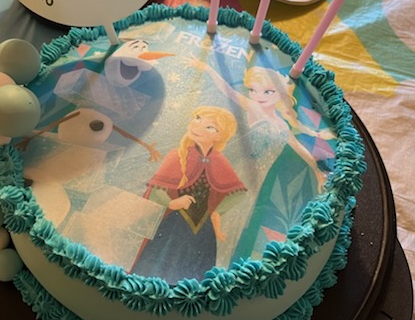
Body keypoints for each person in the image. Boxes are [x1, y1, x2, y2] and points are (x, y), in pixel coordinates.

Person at [190, 60, 333, 262]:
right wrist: (209, 69)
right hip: (236, 172)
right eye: (253, 90)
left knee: (236, 219)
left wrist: (318, 172)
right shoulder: (253, 108)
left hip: (255, 182)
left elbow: (299, 148)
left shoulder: (282, 126)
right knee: (217, 211)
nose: (259, 96)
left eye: (268, 91)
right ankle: (196, 254)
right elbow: (229, 91)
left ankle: (219, 261)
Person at [131, 105, 246, 284]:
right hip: (173, 227)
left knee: (195, 277)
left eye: (210, 126)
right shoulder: (177, 155)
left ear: (219, 136)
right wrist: (172, 203)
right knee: (160, 267)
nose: (197, 125)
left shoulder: (219, 161)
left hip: (203, 232)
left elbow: (237, 193)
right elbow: (156, 189)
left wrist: (217, 211)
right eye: (198, 118)